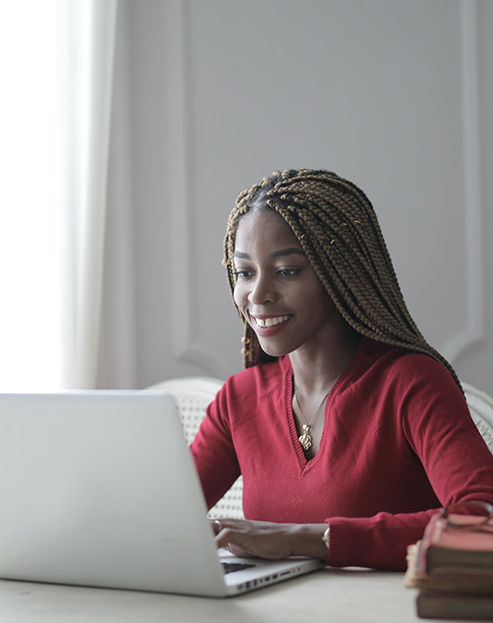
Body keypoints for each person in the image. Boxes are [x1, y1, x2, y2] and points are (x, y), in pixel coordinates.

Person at [190, 168, 493, 571]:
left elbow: (483, 520)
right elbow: (160, 518)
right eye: (245, 272)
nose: (257, 294)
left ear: (338, 271)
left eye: (286, 271)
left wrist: (306, 539)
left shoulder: (410, 382)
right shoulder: (238, 399)